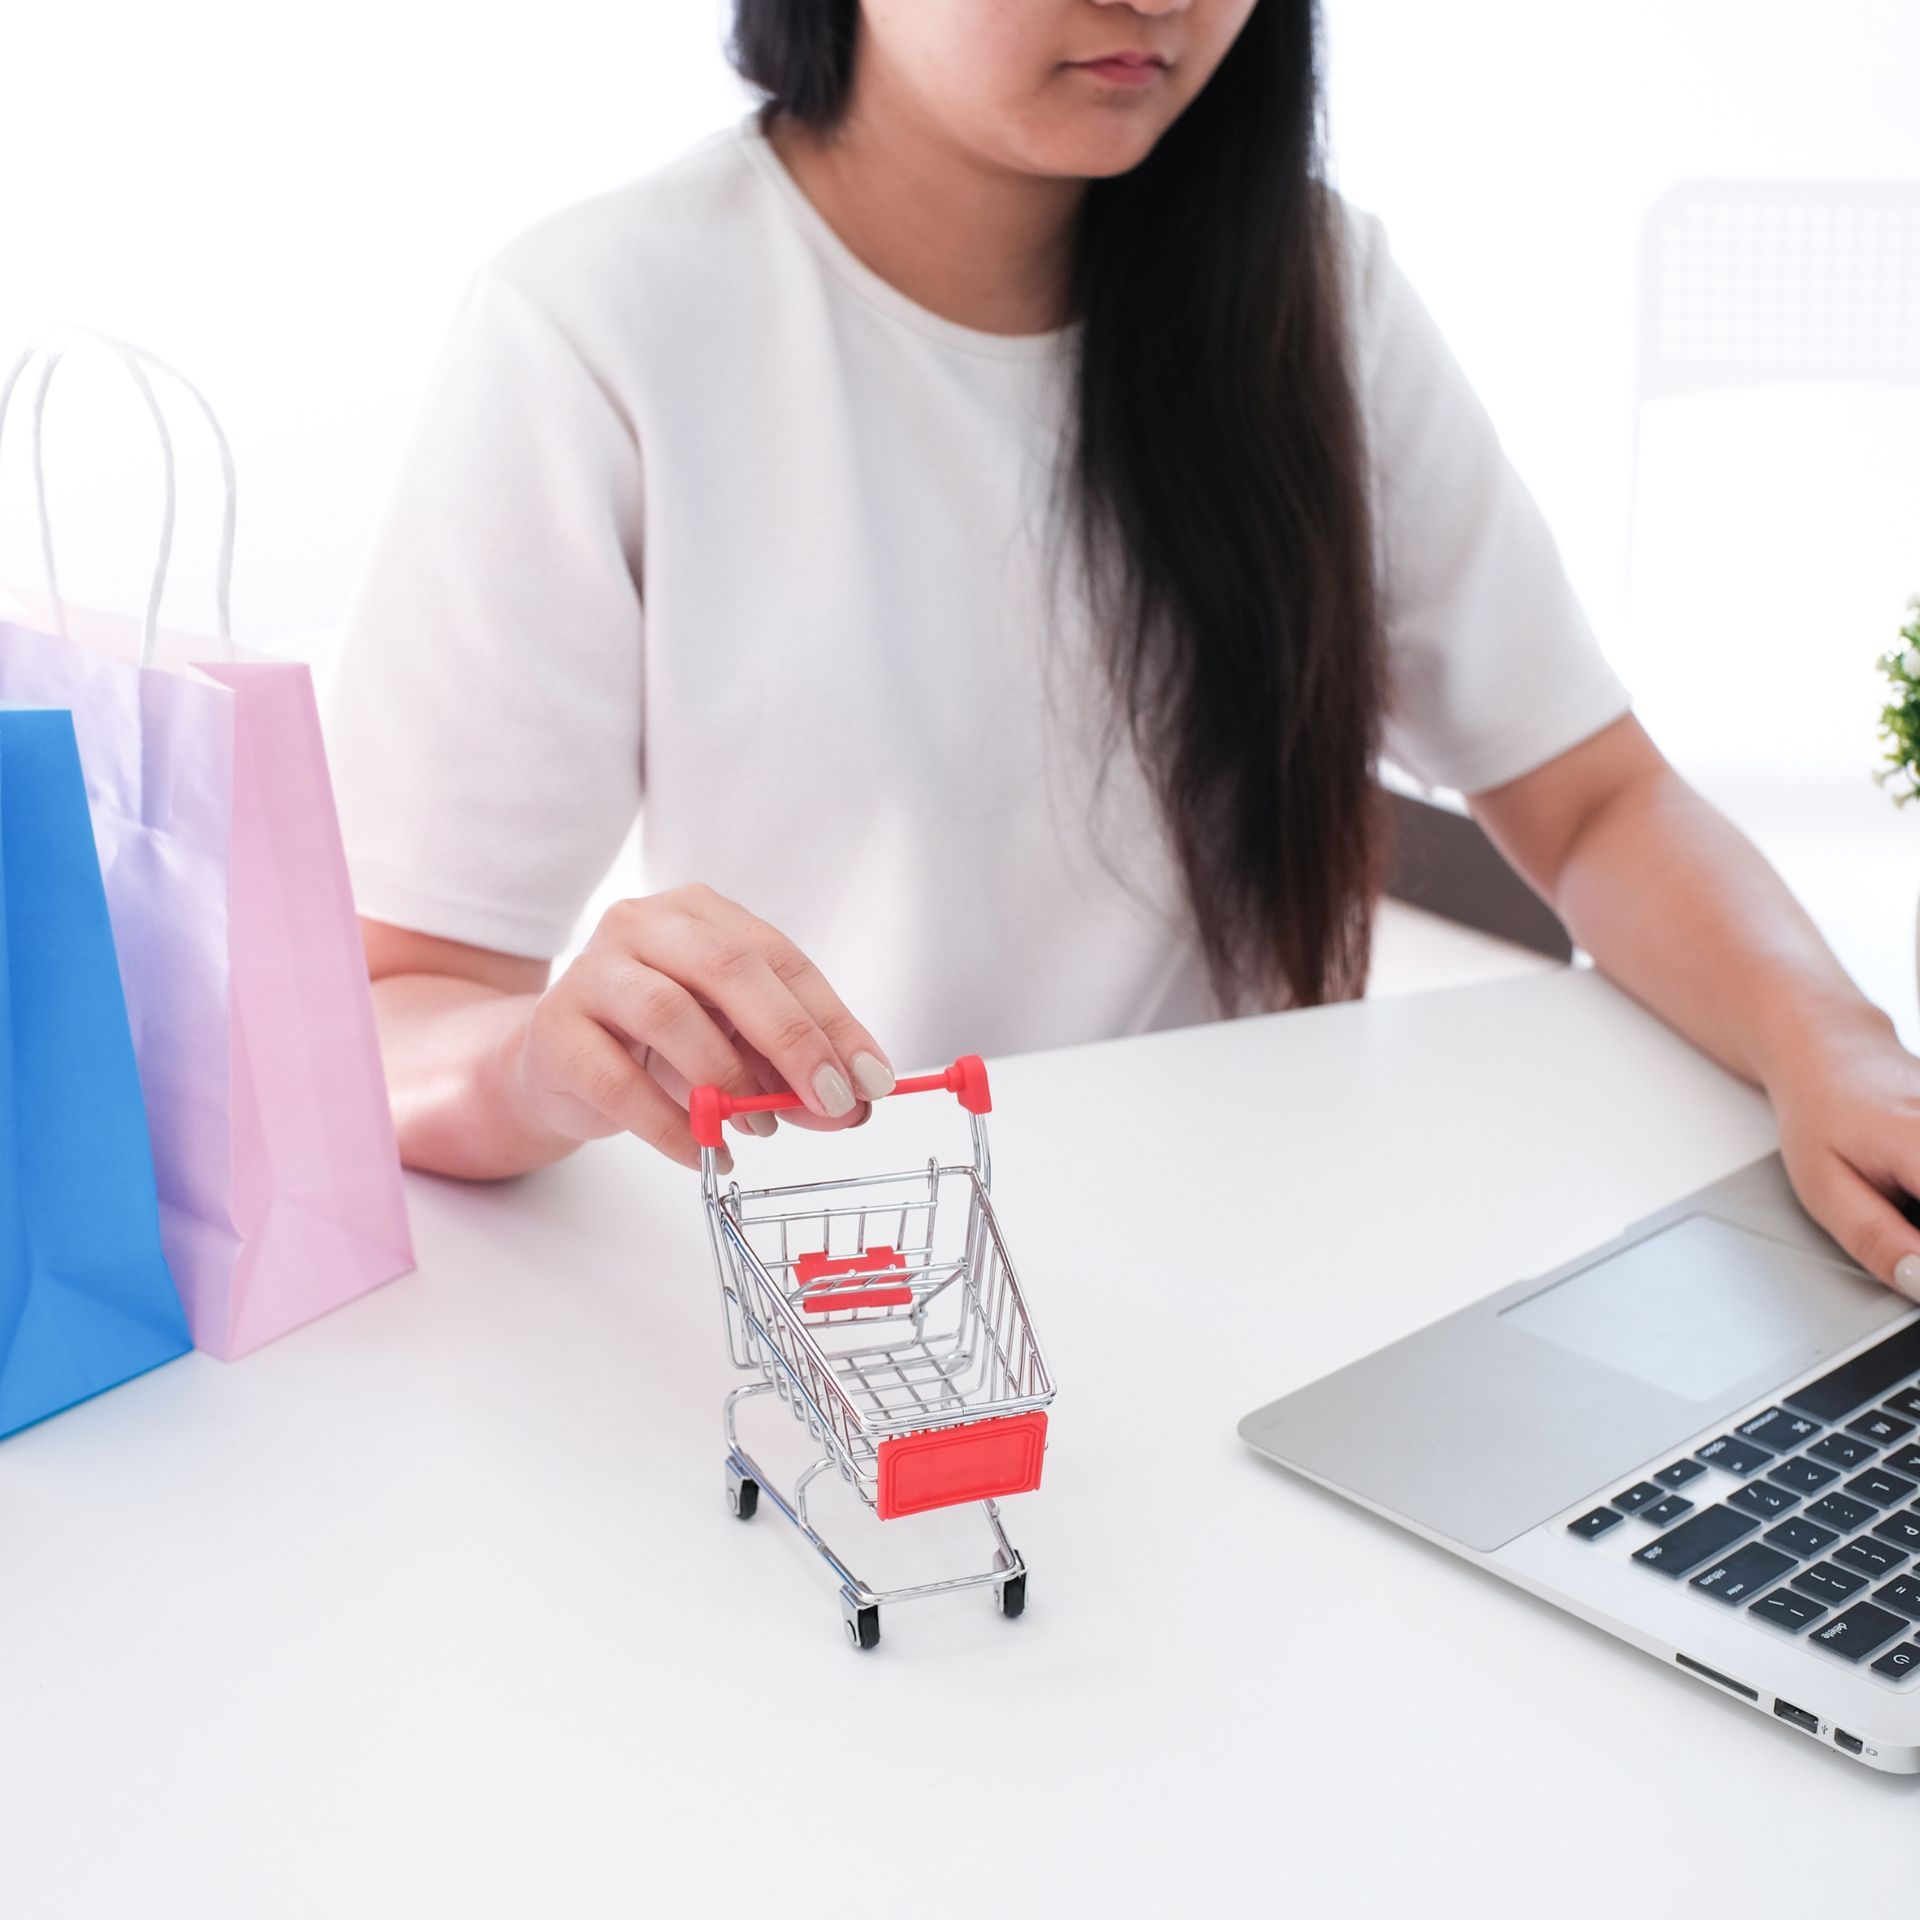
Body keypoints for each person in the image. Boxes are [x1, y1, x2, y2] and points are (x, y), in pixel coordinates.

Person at [325, 0, 1920, 1303]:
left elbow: (1591, 803)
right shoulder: (604, 325)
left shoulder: (1309, 294)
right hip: (858, 1298)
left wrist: (1832, 1049)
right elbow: (398, 1014)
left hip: (1263, 1293)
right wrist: (551, 1064)